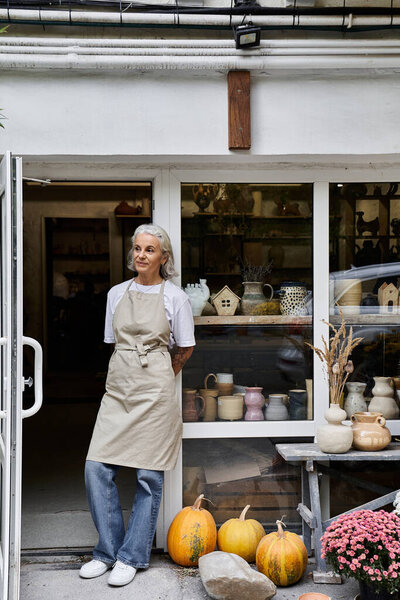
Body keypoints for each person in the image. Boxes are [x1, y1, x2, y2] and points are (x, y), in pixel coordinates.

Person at [80, 224, 195, 587]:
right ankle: (107, 551)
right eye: (137, 249)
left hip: (155, 394)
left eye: (149, 250)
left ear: (164, 257)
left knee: (148, 475)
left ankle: (131, 557)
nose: (141, 255)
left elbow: (186, 347)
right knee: (96, 467)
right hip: (119, 392)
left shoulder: (175, 297)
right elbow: (113, 341)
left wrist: (162, 376)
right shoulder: (116, 294)